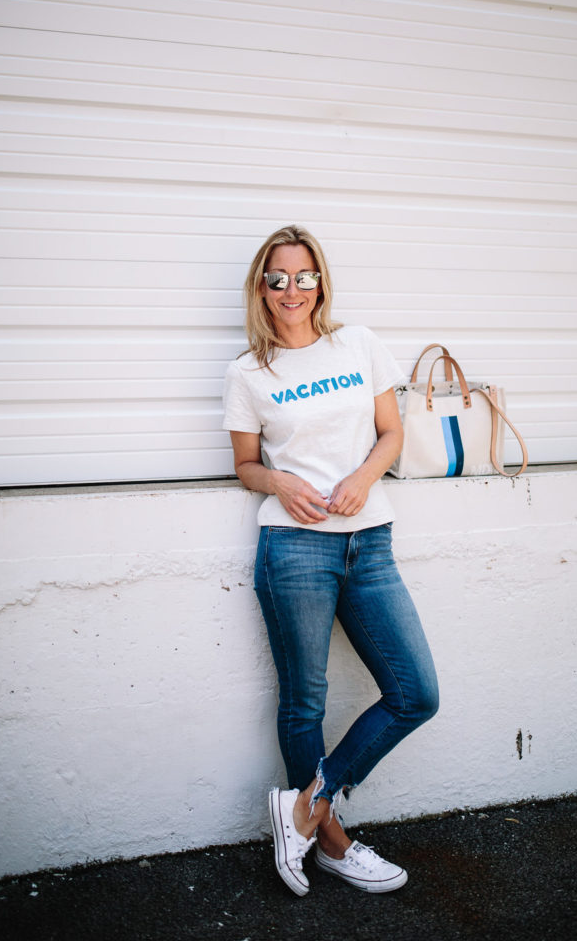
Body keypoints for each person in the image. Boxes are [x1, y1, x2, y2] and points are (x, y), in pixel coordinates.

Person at [222, 225, 439, 896]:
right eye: (278, 277)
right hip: (293, 546)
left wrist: (363, 478)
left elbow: (391, 431)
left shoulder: (358, 343)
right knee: (303, 702)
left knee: (415, 695)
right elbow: (245, 467)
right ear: (261, 287)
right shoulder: (248, 372)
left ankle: (306, 807)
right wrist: (282, 482)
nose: (293, 290)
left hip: (368, 541)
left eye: (305, 275)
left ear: (321, 281)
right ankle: (335, 846)